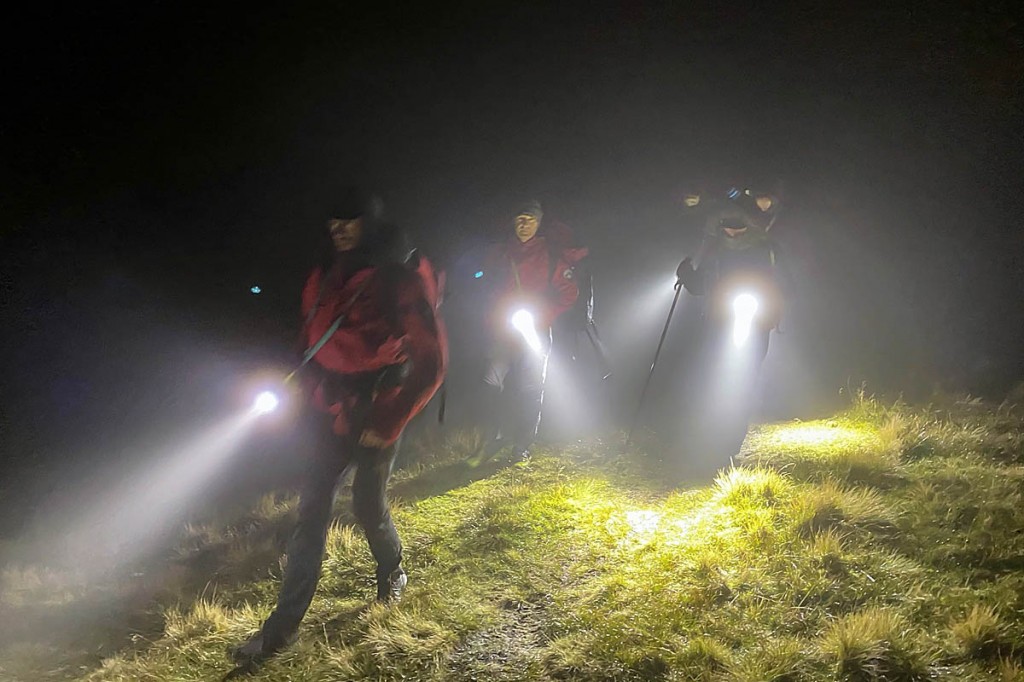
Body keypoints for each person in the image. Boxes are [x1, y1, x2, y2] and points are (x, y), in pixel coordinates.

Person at [233, 190, 447, 663]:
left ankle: (392, 571)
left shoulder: (399, 280)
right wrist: (296, 375)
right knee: (311, 513)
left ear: (369, 222)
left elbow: (432, 361)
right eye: (333, 219)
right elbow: (310, 333)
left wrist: (390, 420)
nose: (339, 227)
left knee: (368, 505)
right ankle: (281, 629)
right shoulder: (324, 272)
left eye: (350, 219)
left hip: (376, 410)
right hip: (327, 409)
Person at [673, 184, 783, 469]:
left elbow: (784, 284)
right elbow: (700, 286)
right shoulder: (714, 251)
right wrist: (686, 275)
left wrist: (773, 312)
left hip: (755, 325)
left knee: (744, 382)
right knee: (715, 380)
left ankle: (728, 446)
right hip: (718, 325)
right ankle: (711, 441)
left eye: (738, 227)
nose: (732, 232)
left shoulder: (765, 248)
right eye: (726, 226)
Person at [474, 200, 587, 463]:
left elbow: (569, 293)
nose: (524, 225)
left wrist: (543, 315)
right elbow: (484, 285)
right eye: (520, 219)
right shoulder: (500, 253)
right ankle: (492, 438)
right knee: (490, 383)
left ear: (539, 222)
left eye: (530, 220)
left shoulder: (550, 256)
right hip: (501, 331)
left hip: (535, 332)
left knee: (530, 387)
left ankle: (521, 445)